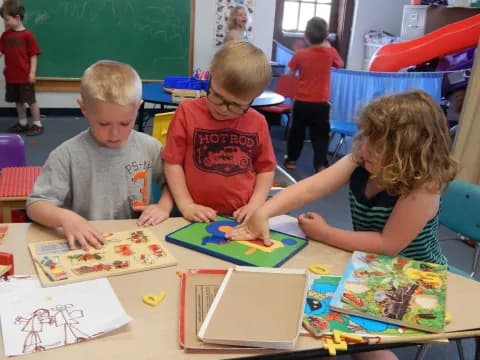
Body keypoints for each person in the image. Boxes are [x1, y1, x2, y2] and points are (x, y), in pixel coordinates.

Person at [229, 90, 458, 265]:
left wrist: (326, 233)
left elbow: (387, 244)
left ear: (408, 152)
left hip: (417, 274)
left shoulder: (424, 185)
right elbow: (310, 189)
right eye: (366, 138)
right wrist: (264, 212)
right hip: (371, 263)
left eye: (377, 146)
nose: (364, 149)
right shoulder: (361, 160)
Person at [27, 60, 174, 250]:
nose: (115, 134)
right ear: (84, 108)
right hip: (89, 243)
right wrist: (66, 218)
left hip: (137, 240)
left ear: (138, 107)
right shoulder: (67, 155)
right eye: (104, 124)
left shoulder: (149, 147)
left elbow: (174, 182)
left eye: (125, 123)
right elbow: (36, 204)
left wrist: (163, 206)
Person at [162, 40, 276, 224]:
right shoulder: (186, 112)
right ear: (210, 78)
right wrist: (186, 205)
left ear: (253, 99)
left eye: (237, 105)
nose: (223, 109)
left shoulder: (258, 122)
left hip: (239, 218)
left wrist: (254, 206)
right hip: (191, 216)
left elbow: (266, 169)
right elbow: (172, 163)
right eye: (217, 96)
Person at [284, 16, 343, 172]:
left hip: (301, 102)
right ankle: (320, 165)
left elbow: (289, 74)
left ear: (305, 36)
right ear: (325, 36)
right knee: (321, 136)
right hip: (321, 103)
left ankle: (291, 160)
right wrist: (327, 44)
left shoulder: (300, 55)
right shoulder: (330, 53)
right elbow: (340, 64)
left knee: (296, 133)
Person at [0, 0, 43, 136]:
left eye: (7, 19)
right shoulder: (5, 36)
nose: (5, 22)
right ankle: (23, 123)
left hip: (25, 76)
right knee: (18, 101)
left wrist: (32, 72)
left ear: (17, 18)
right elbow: (1, 51)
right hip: (11, 76)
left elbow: (33, 56)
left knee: (31, 100)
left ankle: (37, 124)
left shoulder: (27, 35)